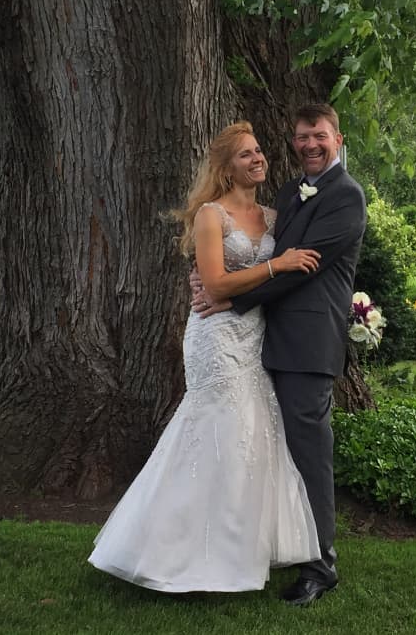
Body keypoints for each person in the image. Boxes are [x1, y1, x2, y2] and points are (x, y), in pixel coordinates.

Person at [88, 121, 324, 592]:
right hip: (215, 339)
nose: (257, 159)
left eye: (258, 152)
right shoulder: (210, 216)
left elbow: (281, 283)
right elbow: (214, 284)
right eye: (245, 155)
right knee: (215, 434)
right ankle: (171, 550)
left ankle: (240, 551)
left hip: (255, 338)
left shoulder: (277, 217)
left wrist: (275, 271)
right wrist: (276, 263)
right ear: (225, 167)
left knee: (253, 437)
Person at [194, 103, 366, 607]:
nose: (309, 144)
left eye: (319, 135)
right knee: (271, 453)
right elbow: (266, 253)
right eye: (301, 136)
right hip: (262, 341)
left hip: (307, 346)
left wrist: (229, 297)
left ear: (337, 138)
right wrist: (217, 279)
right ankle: (268, 546)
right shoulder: (291, 192)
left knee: (309, 455)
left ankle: (321, 565)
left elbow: (299, 270)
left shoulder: (347, 198)